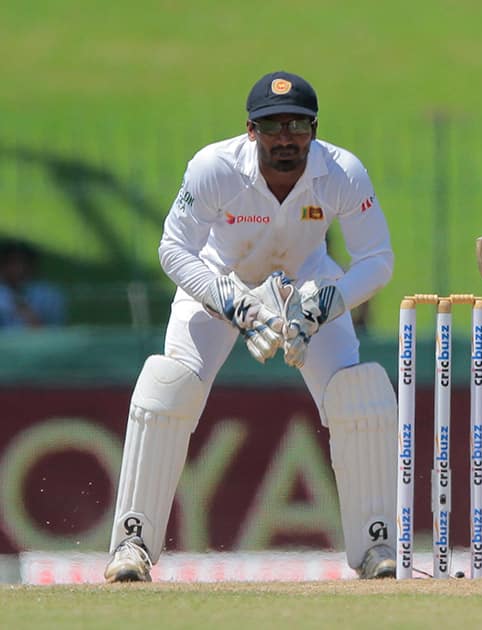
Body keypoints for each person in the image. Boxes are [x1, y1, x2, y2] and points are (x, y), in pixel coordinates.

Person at [104, 71, 398, 582]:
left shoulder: (342, 172)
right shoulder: (214, 168)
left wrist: (326, 303)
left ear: (313, 129)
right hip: (219, 283)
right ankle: (132, 544)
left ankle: (377, 547)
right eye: (272, 127)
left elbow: (378, 260)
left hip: (307, 287)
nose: (285, 138)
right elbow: (173, 250)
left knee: (360, 393)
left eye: (296, 126)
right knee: (169, 386)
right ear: (250, 130)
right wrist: (229, 301)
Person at [0, 238, 67, 328]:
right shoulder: (3, 292)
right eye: (12, 263)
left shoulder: (49, 294)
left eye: (23, 263)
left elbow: (53, 329)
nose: (19, 269)